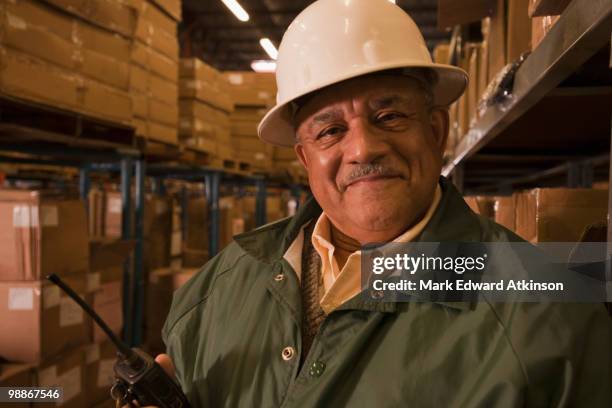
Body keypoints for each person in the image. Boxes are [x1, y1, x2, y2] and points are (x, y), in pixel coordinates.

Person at [130, 0, 611, 406]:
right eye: (331, 130)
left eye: (389, 115)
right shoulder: (216, 291)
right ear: (305, 157)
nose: (363, 148)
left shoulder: (551, 320)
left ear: (436, 130)